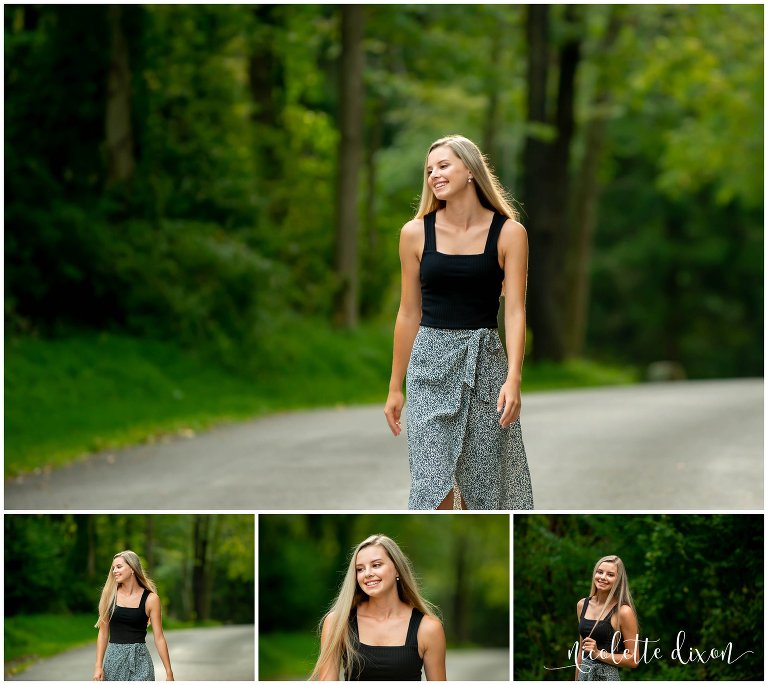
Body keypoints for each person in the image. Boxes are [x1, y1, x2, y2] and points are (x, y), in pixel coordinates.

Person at [384, 134, 534, 510]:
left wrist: (513, 376)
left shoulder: (510, 233)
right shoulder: (415, 233)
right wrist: (394, 386)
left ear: (470, 169)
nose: (434, 174)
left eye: (444, 165)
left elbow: (514, 310)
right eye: (429, 169)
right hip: (428, 367)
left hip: (486, 364)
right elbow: (408, 313)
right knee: (432, 486)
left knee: (482, 488)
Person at [311, 534, 446, 681]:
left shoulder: (428, 628)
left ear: (397, 570)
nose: (367, 574)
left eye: (376, 565)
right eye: (360, 569)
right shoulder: (338, 622)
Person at [93, 550, 174, 681]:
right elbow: (103, 634)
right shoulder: (109, 596)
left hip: (141, 661)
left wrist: (169, 672)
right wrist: (98, 666)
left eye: (119, 567)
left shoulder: (151, 599)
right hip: (114, 661)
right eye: (113, 568)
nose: (114, 571)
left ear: (132, 568)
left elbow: (159, 638)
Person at [575, 555, 640, 681]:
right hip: (584, 677)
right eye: (600, 572)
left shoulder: (623, 611)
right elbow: (581, 652)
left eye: (610, 574)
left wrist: (598, 653)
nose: (603, 577)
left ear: (618, 580)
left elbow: (634, 660)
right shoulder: (582, 605)